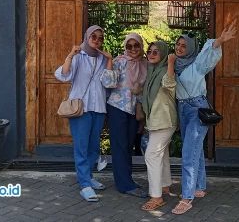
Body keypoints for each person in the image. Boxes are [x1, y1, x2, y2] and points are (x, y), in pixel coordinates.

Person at [171, 23, 237, 215]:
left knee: (188, 152)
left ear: (190, 48)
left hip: (197, 109)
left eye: (184, 46)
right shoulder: (173, 64)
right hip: (182, 108)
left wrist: (219, 41)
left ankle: (187, 197)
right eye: (178, 44)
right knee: (195, 149)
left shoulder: (196, 64)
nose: (180, 48)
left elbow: (209, 54)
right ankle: (199, 185)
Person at [54, 25, 109, 202]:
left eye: (100, 37)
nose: (97, 40)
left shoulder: (102, 58)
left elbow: (109, 83)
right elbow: (63, 75)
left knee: (93, 146)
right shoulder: (78, 56)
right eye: (93, 36)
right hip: (81, 108)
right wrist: (71, 55)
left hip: (99, 107)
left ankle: (89, 177)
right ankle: (84, 184)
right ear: (87, 36)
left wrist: (109, 60)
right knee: (81, 146)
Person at [100, 33, 148, 197]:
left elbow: (144, 90)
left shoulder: (145, 64)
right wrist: (108, 60)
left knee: (128, 146)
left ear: (141, 46)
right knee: (120, 147)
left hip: (134, 111)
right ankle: (125, 185)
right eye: (129, 46)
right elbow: (108, 83)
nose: (133, 49)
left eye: (136, 46)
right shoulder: (119, 61)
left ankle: (127, 180)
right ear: (125, 47)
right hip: (117, 108)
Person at [140, 41, 178, 211]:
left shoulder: (164, 70)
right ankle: (164, 186)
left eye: (156, 51)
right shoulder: (152, 72)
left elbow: (170, 85)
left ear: (163, 54)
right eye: (150, 51)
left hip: (164, 121)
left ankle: (156, 197)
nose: (152, 54)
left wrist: (170, 63)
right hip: (156, 121)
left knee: (151, 155)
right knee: (161, 155)